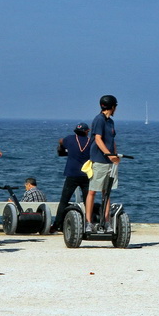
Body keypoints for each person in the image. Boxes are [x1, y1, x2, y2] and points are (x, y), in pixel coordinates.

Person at [50, 122, 92, 233]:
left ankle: (56, 225)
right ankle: (88, 224)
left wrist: (63, 147)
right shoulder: (91, 141)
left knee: (64, 201)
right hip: (86, 174)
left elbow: (61, 141)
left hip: (72, 173)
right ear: (87, 131)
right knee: (88, 201)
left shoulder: (70, 139)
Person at [85, 95, 119, 233]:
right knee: (93, 190)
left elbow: (112, 140)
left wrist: (115, 155)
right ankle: (88, 222)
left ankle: (106, 222)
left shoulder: (110, 122)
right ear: (112, 106)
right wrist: (109, 155)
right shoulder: (99, 119)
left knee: (107, 192)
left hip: (110, 161)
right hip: (99, 160)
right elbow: (98, 139)